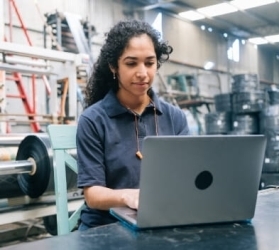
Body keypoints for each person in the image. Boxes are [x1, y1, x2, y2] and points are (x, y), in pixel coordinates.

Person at [76, 19, 189, 231]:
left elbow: (185, 178)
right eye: (131, 63)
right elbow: (92, 195)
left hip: (160, 222)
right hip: (106, 228)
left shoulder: (175, 118)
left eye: (149, 62)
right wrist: (130, 196)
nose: (142, 73)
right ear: (113, 66)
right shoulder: (93, 120)